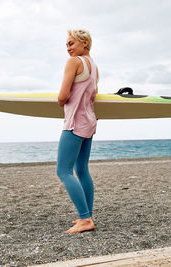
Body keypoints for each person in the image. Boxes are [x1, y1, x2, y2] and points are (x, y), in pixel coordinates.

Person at [56, 29, 98, 233]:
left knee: (63, 171)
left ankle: (85, 219)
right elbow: (94, 94)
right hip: (89, 122)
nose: (68, 48)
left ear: (84, 43)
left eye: (71, 43)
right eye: (66, 45)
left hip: (74, 123)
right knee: (81, 170)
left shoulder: (75, 63)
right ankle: (87, 215)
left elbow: (63, 95)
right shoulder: (95, 67)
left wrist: (59, 100)